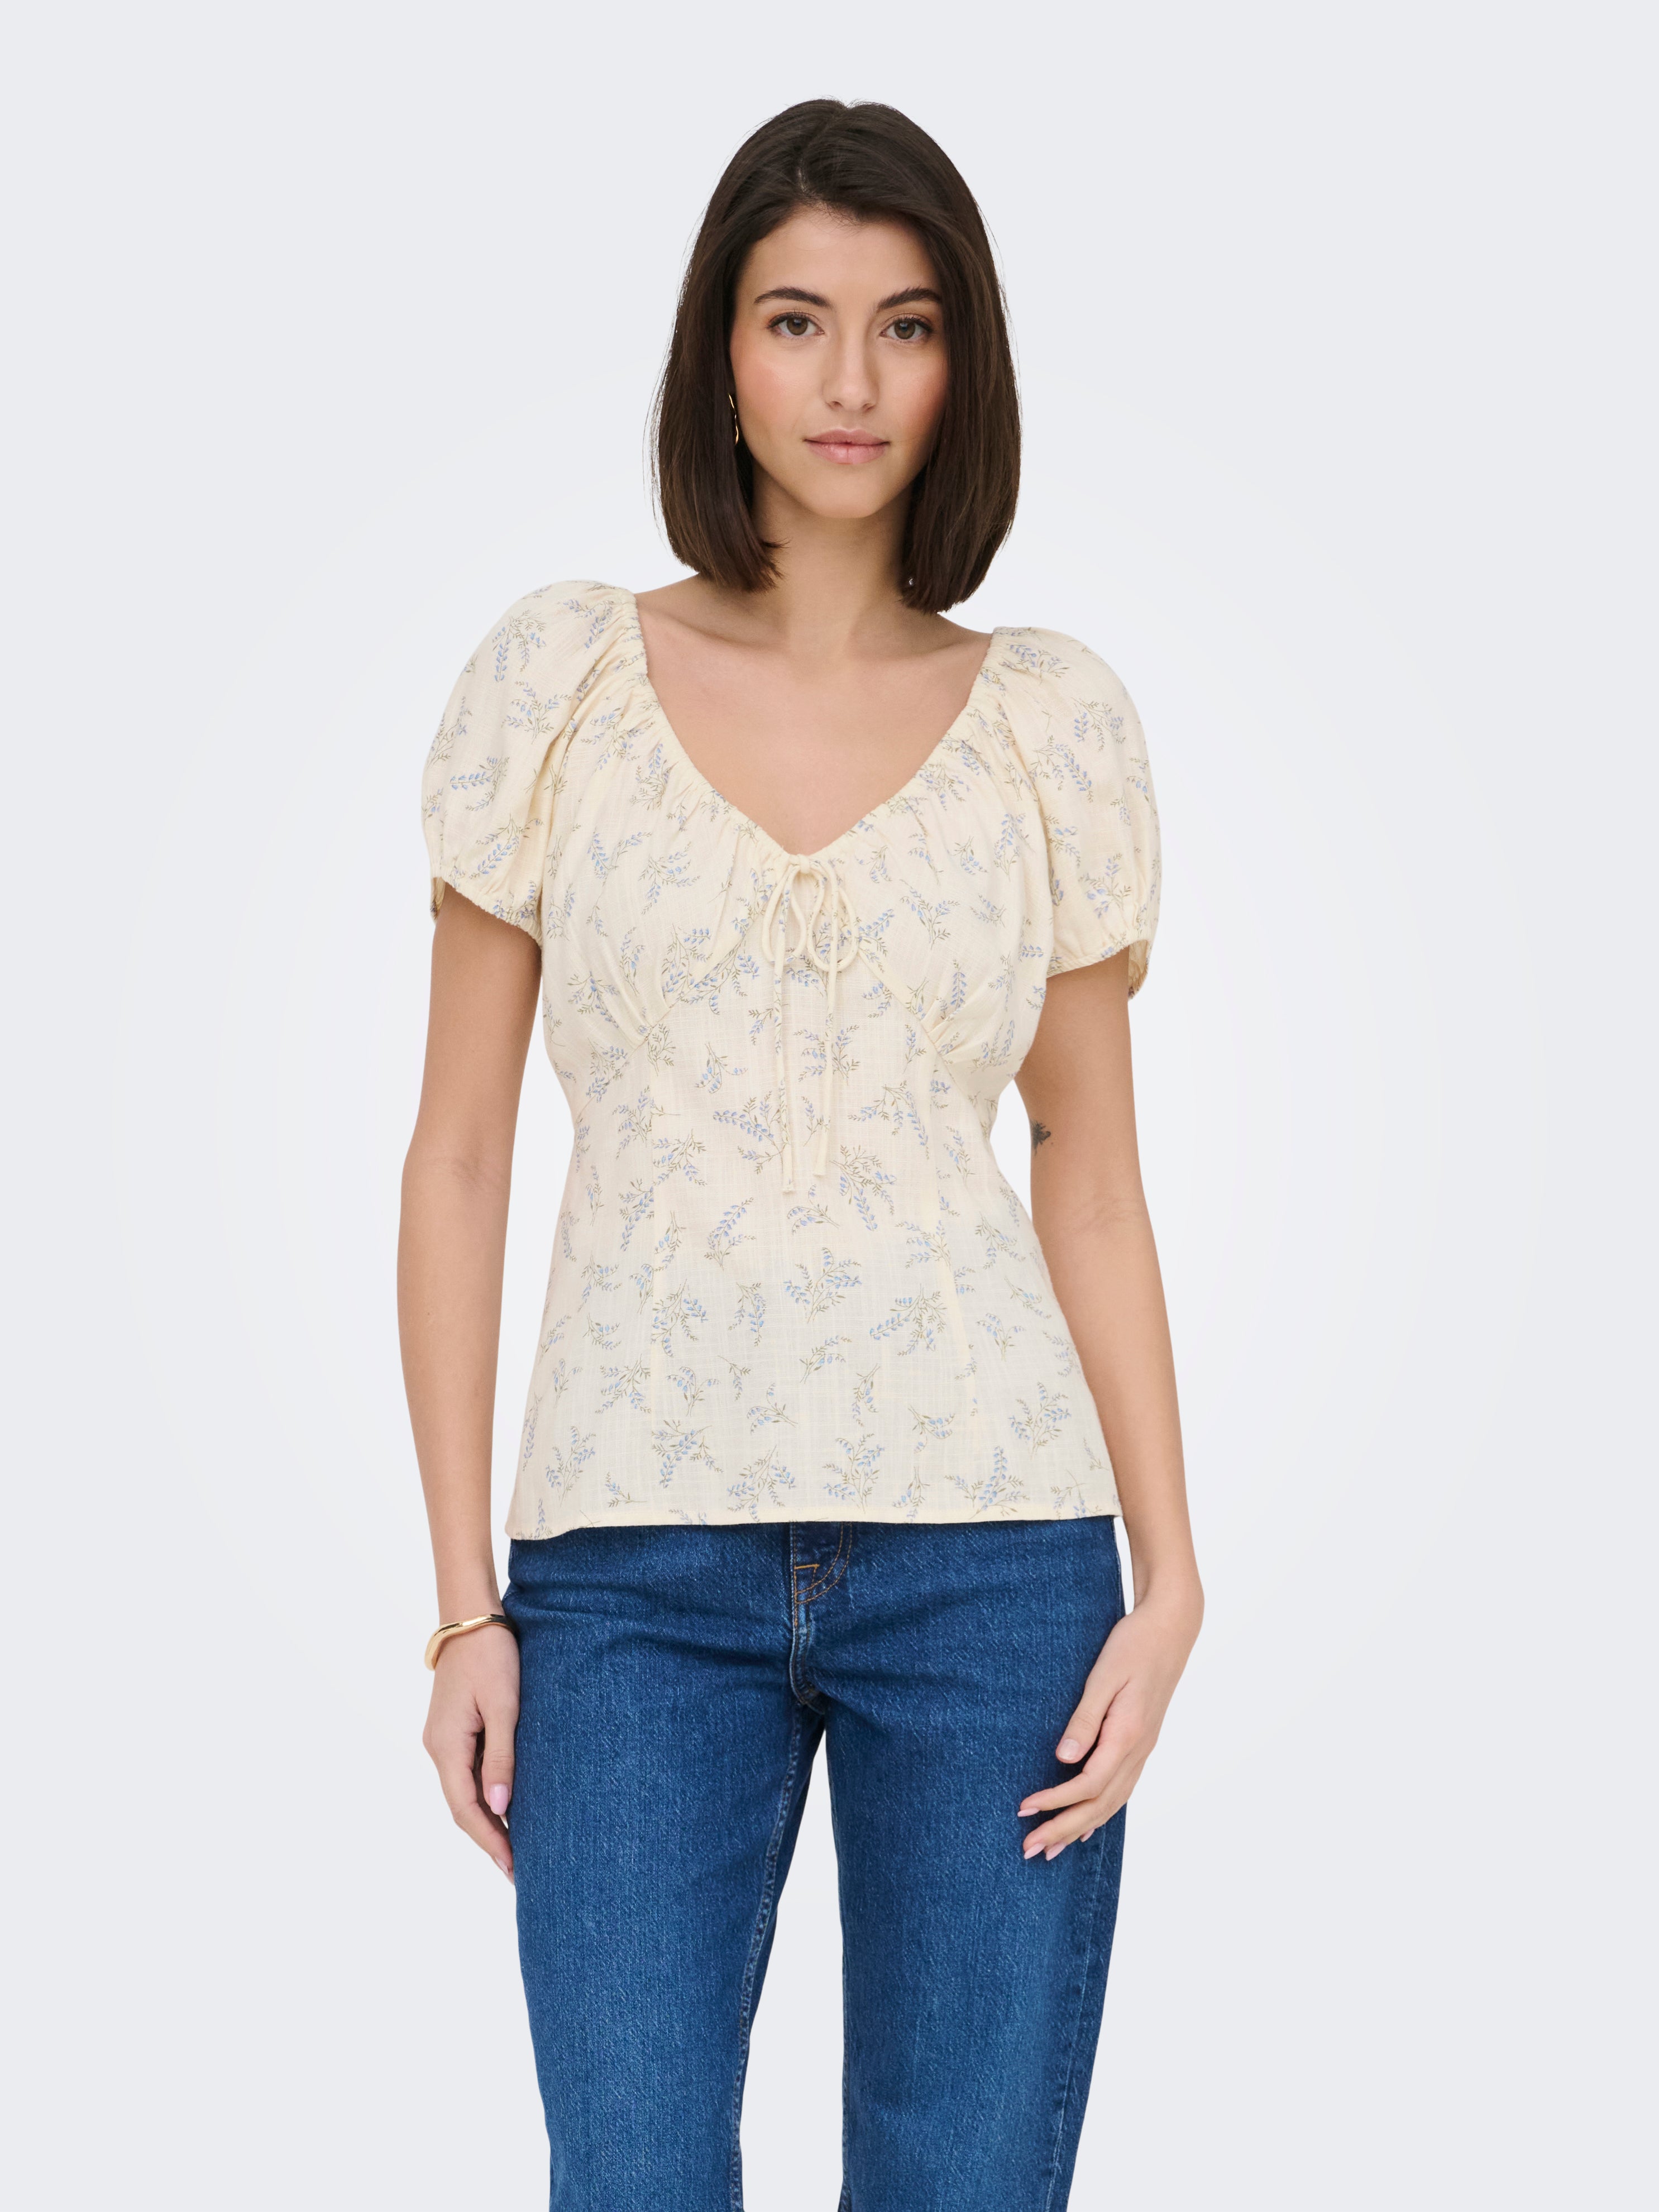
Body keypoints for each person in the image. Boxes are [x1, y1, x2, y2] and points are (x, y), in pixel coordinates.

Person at [399, 97, 1203, 2212]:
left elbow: (1088, 1167)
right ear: (720, 352)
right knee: (635, 2172)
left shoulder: (1048, 723)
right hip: (625, 1576)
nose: (850, 380)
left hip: (997, 1560)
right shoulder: (562, 682)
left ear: (962, 362)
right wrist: (463, 1605)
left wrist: (1171, 1570)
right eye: (795, 320)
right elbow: (457, 1157)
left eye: (904, 324)